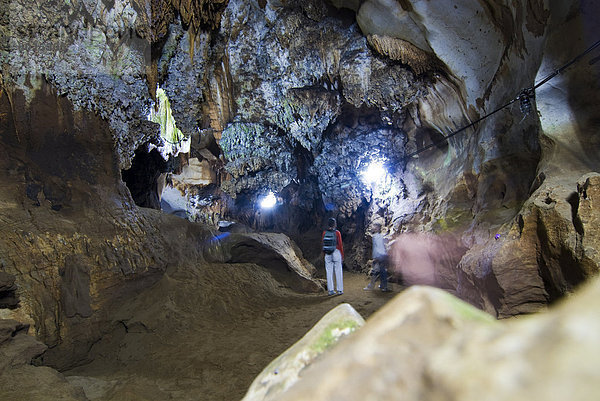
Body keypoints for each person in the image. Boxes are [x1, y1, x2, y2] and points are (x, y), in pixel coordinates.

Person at [364, 223, 390, 292]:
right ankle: (383, 286)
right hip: (383, 255)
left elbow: (377, 248)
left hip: (379, 256)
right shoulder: (380, 236)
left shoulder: (375, 237)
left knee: (375, 271)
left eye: (373, 226)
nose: (371, 227)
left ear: (377, 228)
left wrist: (375, 257)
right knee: (382, 271)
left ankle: (371, 286)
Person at [322, 217, 344, 295]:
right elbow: (340, 244)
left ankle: (331, 290)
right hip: (336, 252)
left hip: (327, 253)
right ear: (335, 224)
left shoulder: (324, 233)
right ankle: (340, 290)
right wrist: (342, 255)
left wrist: (324, 254)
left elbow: (323, 243)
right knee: (338, 270)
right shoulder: (337, 233)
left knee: (329, 271)